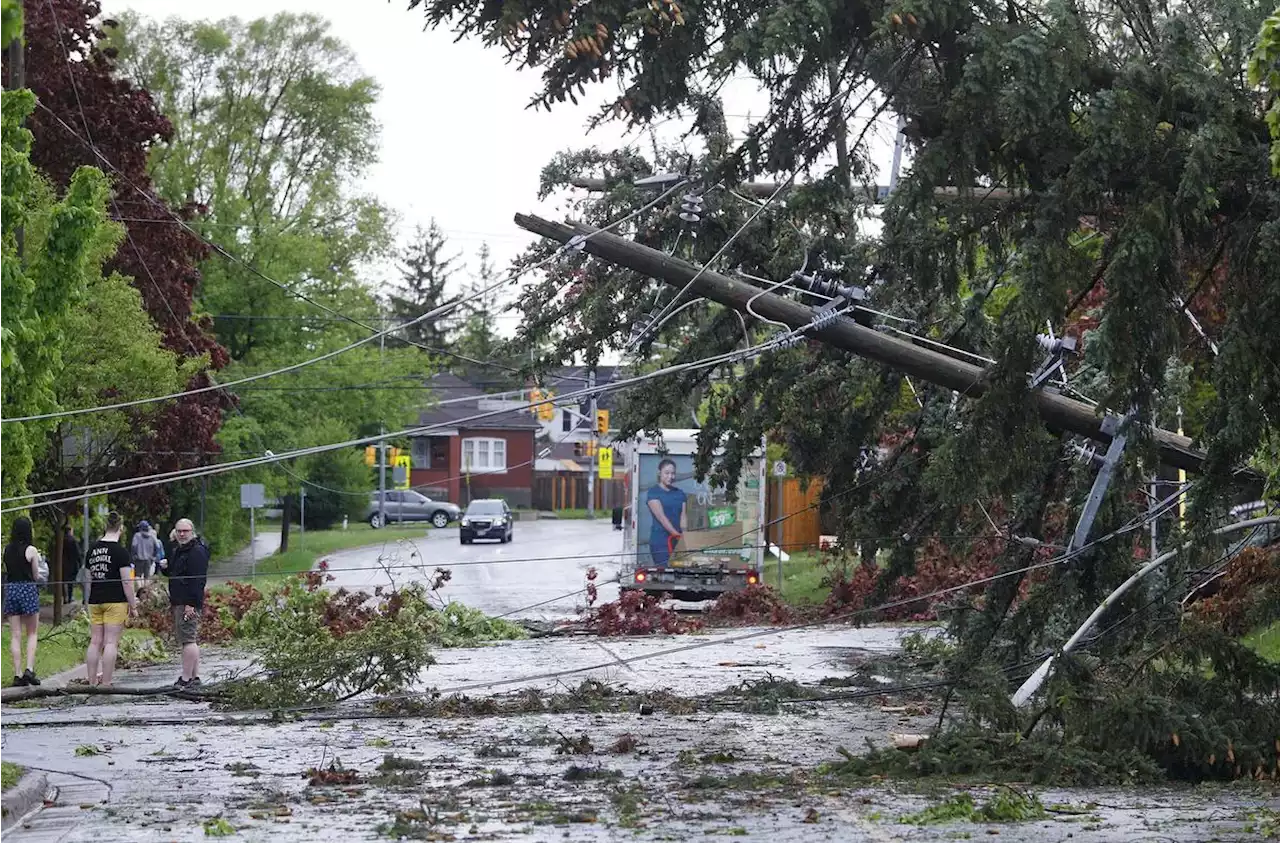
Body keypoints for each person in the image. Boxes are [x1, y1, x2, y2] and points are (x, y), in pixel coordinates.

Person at [84, 512, 137, 688]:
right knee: (110, 642)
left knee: (95, 641)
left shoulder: (91, 550)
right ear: (120, 528)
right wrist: (133, 605)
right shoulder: (121, 552)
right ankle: (106, 682)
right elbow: (127, 582)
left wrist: (89, 600)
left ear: (104, 527)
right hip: (115, 601)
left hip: (95, 600)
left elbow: (87, 579)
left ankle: (91, 682)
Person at [161, 518, 208, 689]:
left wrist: (191, 604)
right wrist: (165, 568)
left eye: (185, 531)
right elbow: (174, 573)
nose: (181, 534)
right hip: (178, 600)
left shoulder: (196, 551)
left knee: (188, 639)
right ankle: (194, 678)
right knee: (188, 638)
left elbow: (198, 581)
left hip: (188, 602)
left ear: (192, 532)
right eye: (179, 531)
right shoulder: (180, 550)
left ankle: (186, 678)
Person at [4, 516, 43, 687]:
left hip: (11, 589)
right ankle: (29, 669)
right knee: (32, 633)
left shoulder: (7, 549)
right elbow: (35, 575)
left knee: (15, 634)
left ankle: (17, 674)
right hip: (27, 589)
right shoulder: (32, 550)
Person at [645, 459, 687, 568]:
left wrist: (685, 535)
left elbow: (683, 516)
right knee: (666, 570)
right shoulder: (653, 492)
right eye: (667, 473)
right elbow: (661, 518)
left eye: (672, 473)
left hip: (678, 541)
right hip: (661, 541)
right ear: (660, 474)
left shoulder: (680, 493)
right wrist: (676, 534)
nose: (670, 476)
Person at [130, 520, 161, 589]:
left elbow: (134, 546)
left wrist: (134, 555)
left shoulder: (137, 535)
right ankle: (145, 591)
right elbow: (157, 547)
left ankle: (140, 589)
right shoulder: (152, 536)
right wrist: (153, 556)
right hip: (149, 559)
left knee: (138, 576)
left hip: (138, 559)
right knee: (146, 577)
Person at [62, 525, 82, 606]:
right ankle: (69, 598)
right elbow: (77, 553)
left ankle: (64, 598)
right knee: (70, 581)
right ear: (70, 531)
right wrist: (80, 563)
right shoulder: (73, 540)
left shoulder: (61, 540)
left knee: (63, 581)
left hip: (63, 564)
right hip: (71, 564)